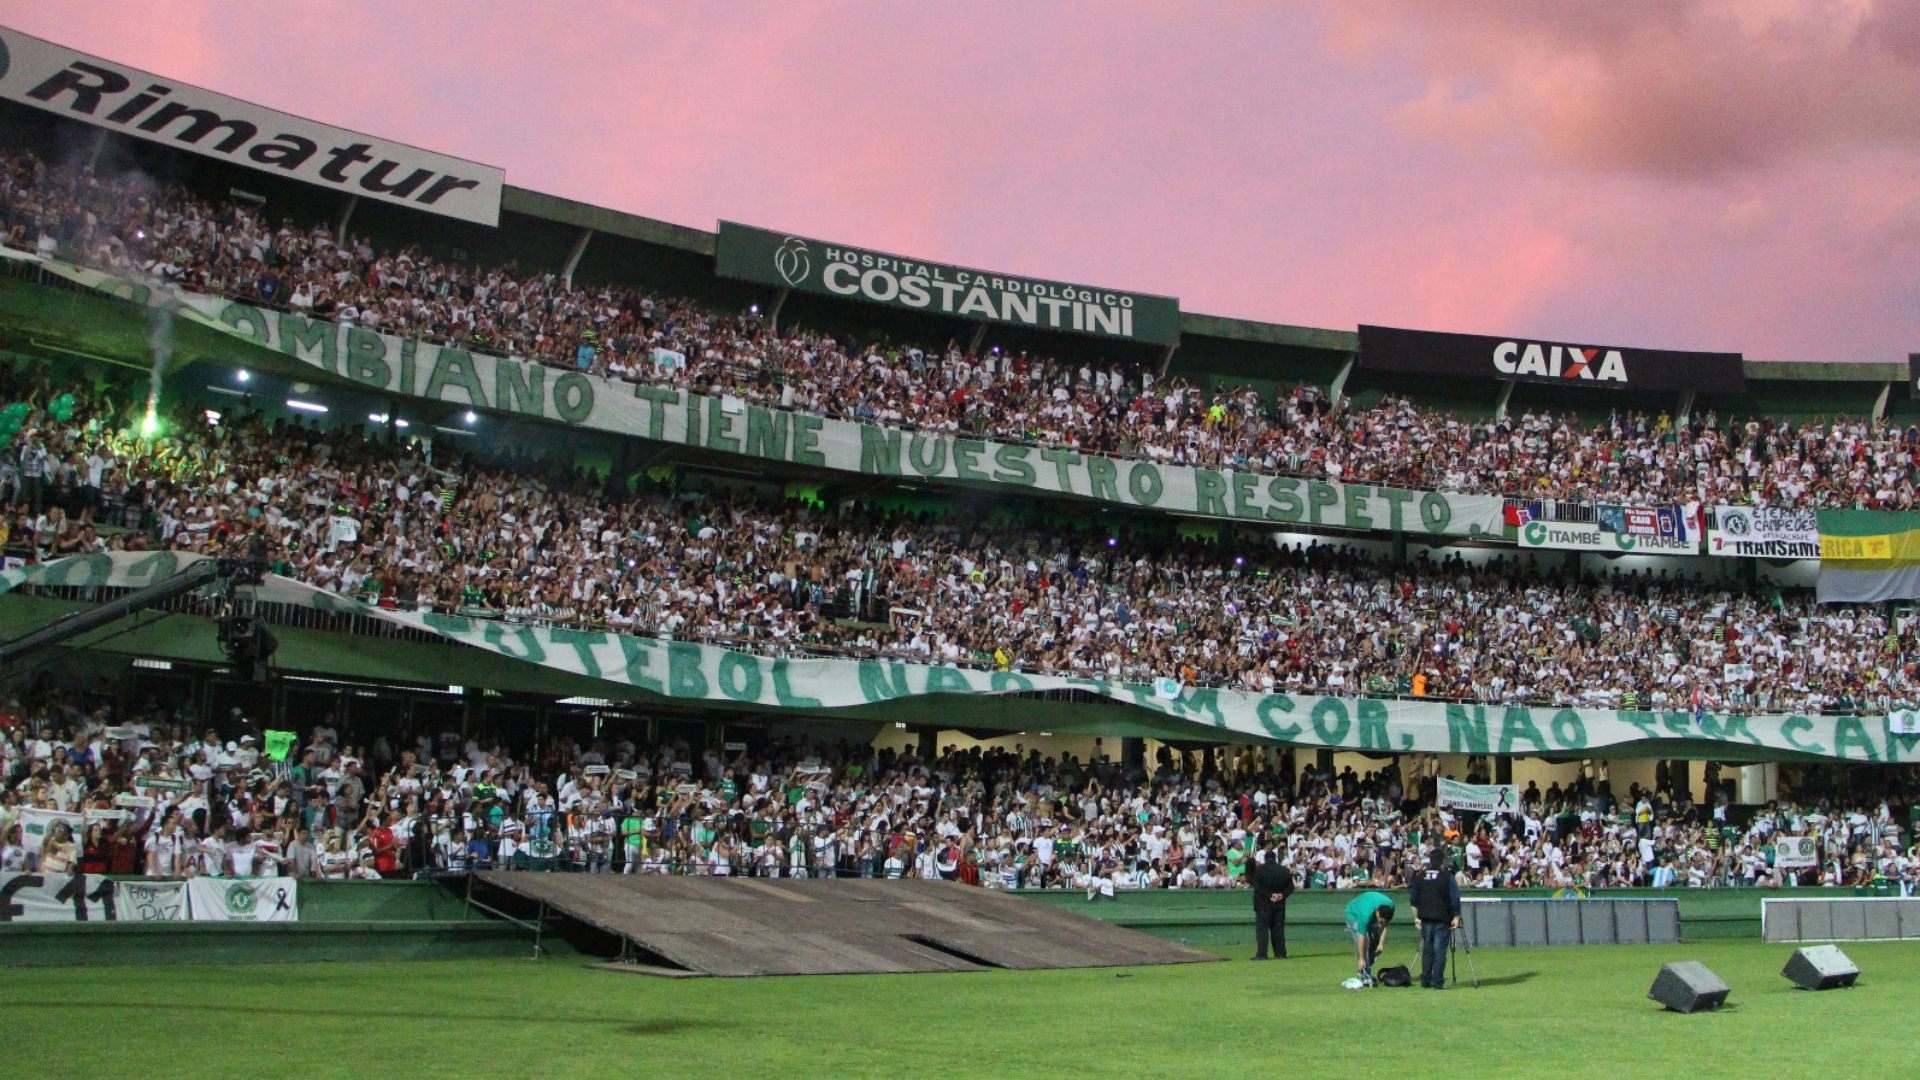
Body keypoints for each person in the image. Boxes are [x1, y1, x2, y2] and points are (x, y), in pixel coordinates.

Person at [1409, 847, 1462, 989]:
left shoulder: (1420, 876)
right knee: (1439, 950)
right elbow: (1455, 897)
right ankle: (1437, 981)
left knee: (1427, 949)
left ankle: (1425, 980)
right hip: (1442, 917)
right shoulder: (1447, 876)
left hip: (1425, 917)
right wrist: (1456, 915)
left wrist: (1416, 917)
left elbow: (1413, 900)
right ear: (1442, 861)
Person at [1246, 848, 1295, 959]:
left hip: (1263, 904)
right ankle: (1280, 953)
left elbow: (1257, 887)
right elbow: (1291, 887)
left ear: (1265, 858)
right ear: (1275, 858)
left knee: (1262, 930)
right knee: (1278, 929)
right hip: (1279, 904)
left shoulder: (1260, 871)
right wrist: (1282, 895)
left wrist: (1270, 895)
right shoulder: (1284, 870)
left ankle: (1262, 954)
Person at [1343, 889, 1395, 986]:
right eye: (1381, 921)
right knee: (1366, 942)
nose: (1382, 923)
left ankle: (1365, 969)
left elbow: (1386, 925)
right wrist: (1361, 958)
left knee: (1375, 940)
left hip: (1370, 910)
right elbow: (1361, 938)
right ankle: (1364, 975)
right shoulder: (1365, 914)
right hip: (1353, 914)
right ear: (1378, 913)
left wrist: (1381, 944)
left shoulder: (1390, 906)